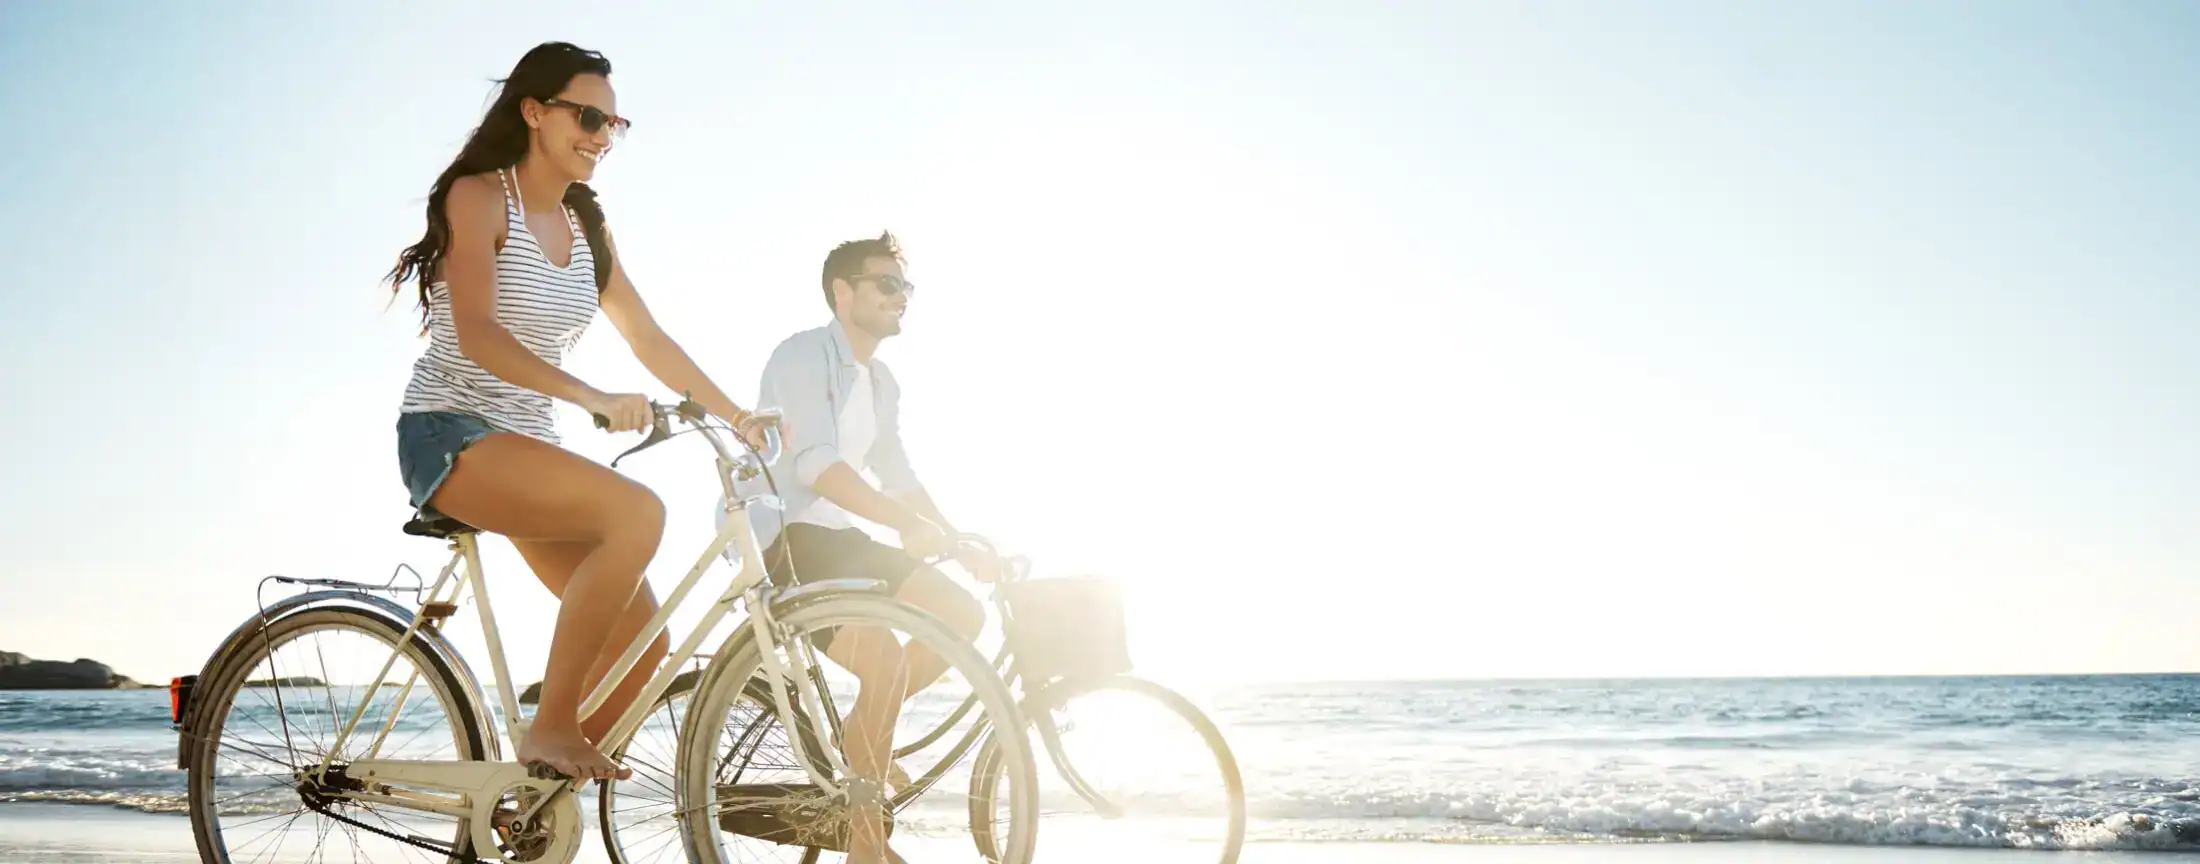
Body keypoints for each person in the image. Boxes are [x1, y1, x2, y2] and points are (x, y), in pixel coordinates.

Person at [384, 41, 769, 782]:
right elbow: (476, 333)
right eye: (588, 116)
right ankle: (550, 728)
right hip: (449, 433)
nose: (601, 136)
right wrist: (590, 396)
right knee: (637, 514)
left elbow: (648, 337)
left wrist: (736, 413)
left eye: (614, 124)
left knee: (643, 648)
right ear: (534, 112)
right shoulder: (479, 195)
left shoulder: (587, 226)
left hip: (526, 443)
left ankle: (531, 799)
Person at [740, 230, 990, 863]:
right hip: (786, 535)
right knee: (884, 664)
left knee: (963, 615)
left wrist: (955, 540)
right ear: (841, 291)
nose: (901, 296)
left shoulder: (881, 383)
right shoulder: (801, 356)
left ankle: (862, 732)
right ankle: (864, 846)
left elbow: (897, 474)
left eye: (905, 285)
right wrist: (903, 524)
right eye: (887, 283)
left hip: (840, 537)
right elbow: (815, 466)